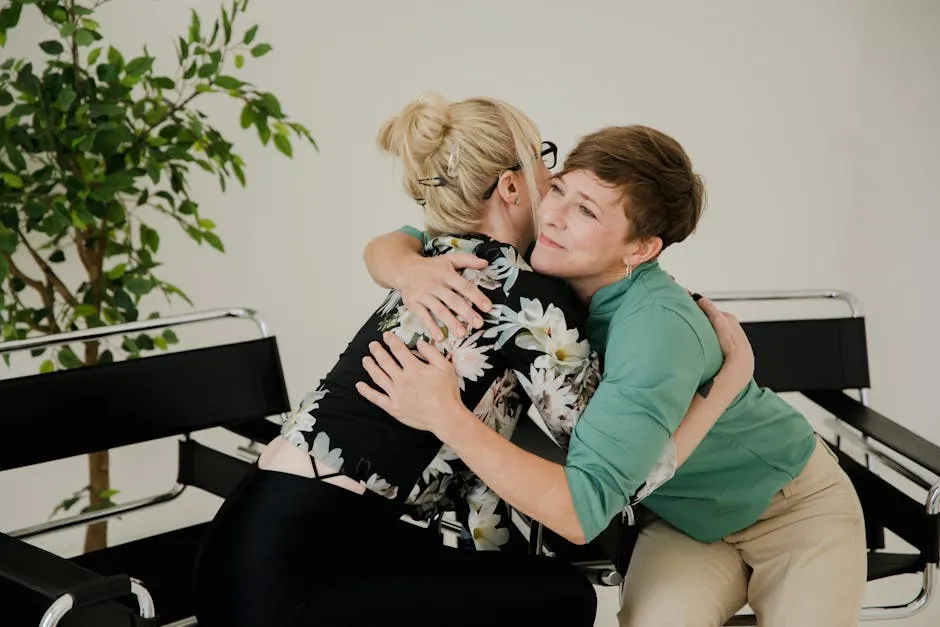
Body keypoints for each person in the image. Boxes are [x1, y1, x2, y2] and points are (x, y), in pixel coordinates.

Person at [193, 94, 754, 627]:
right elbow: (616, 479)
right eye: (546, 168)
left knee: (519, 585)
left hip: (244, 551)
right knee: (564, 600)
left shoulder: (438, 260)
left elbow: (477, 477)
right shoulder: (523, 293)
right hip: (294, 583)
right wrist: (727, 386)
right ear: (511, 187)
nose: (553, 190)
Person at [359, 125, 868, 627]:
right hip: (684, 521)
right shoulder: (550, 246)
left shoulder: (654, 330)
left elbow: (583, 511)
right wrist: (411, 270)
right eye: (558, 188)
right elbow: (402, 240)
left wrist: (446, 416)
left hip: (792, 510)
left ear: (641, 248)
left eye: (586, 210)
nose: (554, 214)